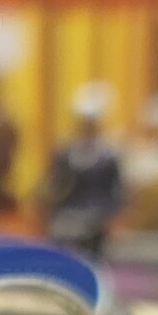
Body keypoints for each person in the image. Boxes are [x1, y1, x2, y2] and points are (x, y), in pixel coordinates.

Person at [45, 107, 129, 259]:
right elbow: (56, 183)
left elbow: (116, 188)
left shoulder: (108, 156)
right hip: (68, 211)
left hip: (97, 213)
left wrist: (116, 215)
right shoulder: (66, 153)